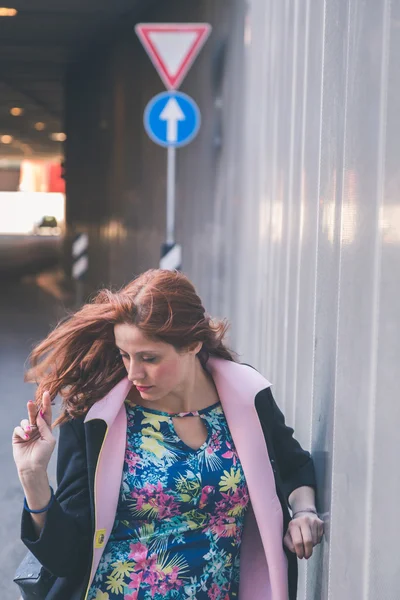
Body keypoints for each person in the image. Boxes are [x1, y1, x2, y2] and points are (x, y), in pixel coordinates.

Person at [12, 269, 323, 600]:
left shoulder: (246, 396)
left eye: (149, 358)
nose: (134, 372)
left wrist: (304, 512)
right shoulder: (97, 419)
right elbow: (67, 558)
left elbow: (293, 463)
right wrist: (33, 478)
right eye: (125, 355)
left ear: (192, 344)